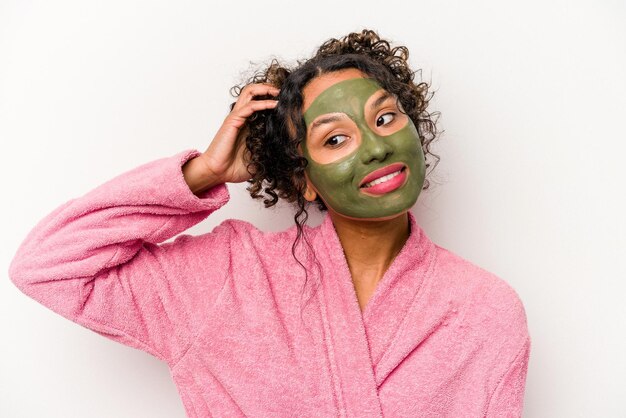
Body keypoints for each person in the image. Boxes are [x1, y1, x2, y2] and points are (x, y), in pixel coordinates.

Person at [9, 29, 531, 417]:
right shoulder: (229, 276)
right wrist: (201, 173)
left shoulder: (485, 311)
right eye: (335, 138)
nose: (376, 147)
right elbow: (49, 265)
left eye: (386, 118)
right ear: (303, 179)